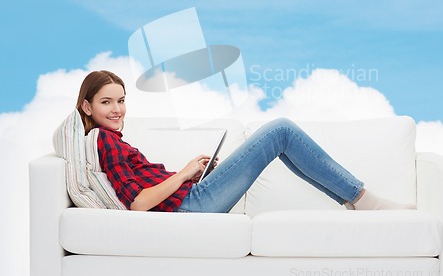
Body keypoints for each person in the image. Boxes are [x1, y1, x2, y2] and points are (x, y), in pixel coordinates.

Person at [76, 70, 412, 213]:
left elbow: (144, 190)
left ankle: (357, 201)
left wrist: (189, 174)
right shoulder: (103, 141)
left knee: (281, 138)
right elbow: (138, 204)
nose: (117, 109)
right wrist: (181, 175)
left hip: (189, 198)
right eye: (106, 102)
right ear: (87, 106)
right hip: (191, 207)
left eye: (121, 100)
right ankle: (365, 201)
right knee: (280, 130)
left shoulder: (113, 140)